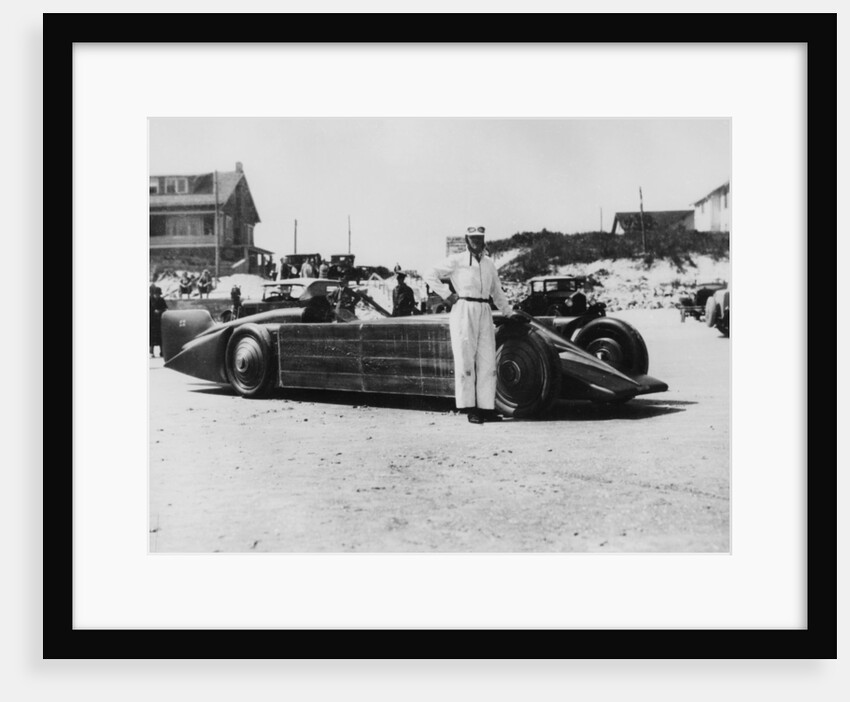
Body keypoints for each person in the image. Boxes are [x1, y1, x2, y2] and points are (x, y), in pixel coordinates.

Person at [424, 225, 527, 424]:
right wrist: (448, 296)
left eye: (480, 238)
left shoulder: (489, 263)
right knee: (466, 359)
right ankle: (470, 408)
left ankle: (486, 408)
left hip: (484, 310)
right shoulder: (458, 260)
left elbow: (497, 291)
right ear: (467, 239)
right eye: (473, 238)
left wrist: (508, 312)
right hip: (464, 310)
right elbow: (429, 273)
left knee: (487, 360)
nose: (477, 241)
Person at [149, 284, 168, 358]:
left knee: (160, 337)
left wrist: (159, 311)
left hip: (159, 321)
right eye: (156, 294)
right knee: (151, 337)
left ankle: (162, 352)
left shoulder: (161, 300)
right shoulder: (149, 300)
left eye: (159, 294)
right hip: (151, 321)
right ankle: (151, 352)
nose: (157, 295)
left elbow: (165, 309)